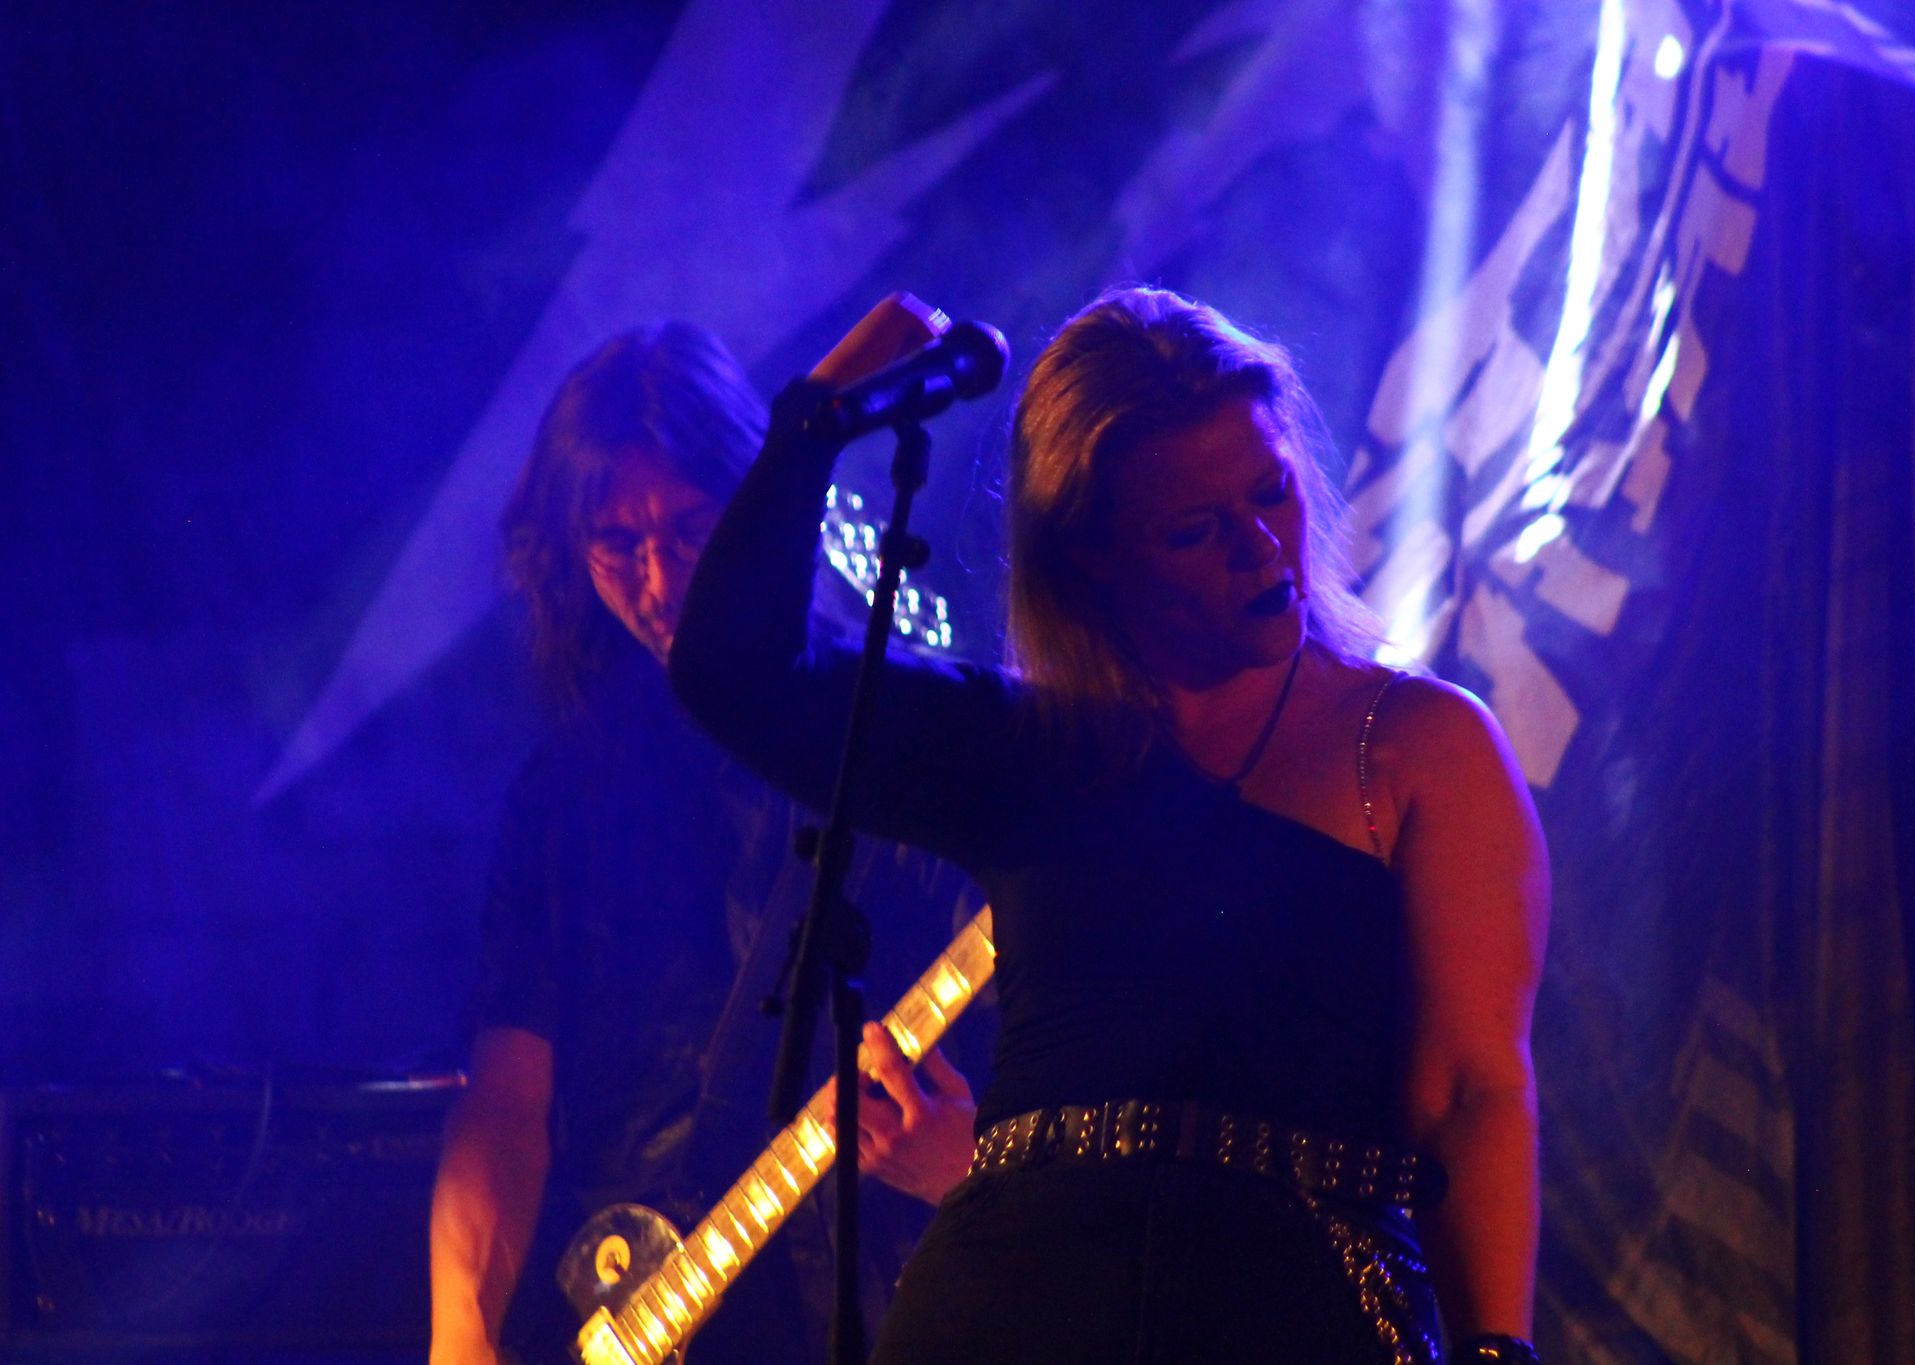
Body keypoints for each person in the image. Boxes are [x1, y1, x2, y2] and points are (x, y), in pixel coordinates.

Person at [669, 288, 1550, 1363]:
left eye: (1271, 490)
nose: (1259, 545)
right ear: (1091, 558)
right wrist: (812, 422)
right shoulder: (1034, 746)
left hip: (1295, 1311)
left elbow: (1470, 1092)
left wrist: (1495, 1351)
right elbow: (736, 671)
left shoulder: (1416, 744)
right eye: (1194, 529)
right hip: (1003, 1312)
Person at [427, 321, 979, 1365]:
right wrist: (461, 1331)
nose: (659, 582)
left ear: (759, 504)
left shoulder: (898, 728)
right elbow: (506, 1095)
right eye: (615, 545)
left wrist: (971, 1162)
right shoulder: (565, 789)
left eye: (690, 531)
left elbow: (1059, 1035)